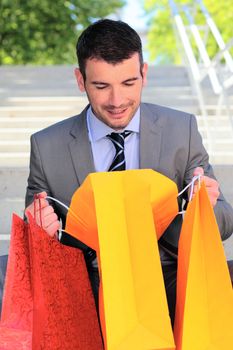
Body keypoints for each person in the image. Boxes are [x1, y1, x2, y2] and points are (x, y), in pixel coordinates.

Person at [25, 19, 233, 326]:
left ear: (144, 74)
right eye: (101, 86)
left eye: (128, 83)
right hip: (89, 284)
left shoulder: (181, 129)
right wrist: (40, 231)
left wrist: (201, 209)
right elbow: (33, 246)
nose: (117, 101)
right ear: (80, 80)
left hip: (168, 277)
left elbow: (225, 223)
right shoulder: (46, 145)